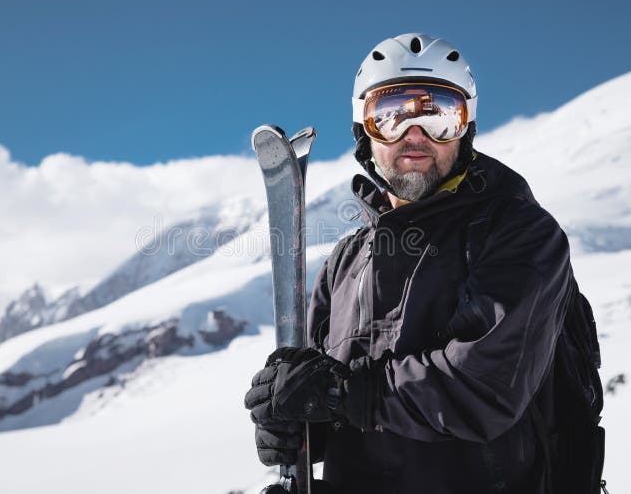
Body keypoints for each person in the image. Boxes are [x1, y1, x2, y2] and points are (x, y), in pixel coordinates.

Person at [244, 33, 588, 494]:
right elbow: (335, 415)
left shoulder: (519, 233)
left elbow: (485, 389)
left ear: (466, 129)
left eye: (441, 115)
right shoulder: (343, 264)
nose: (415, 135)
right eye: (390, 115)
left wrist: (342, 392)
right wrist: (290, 420)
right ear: (363, 130)